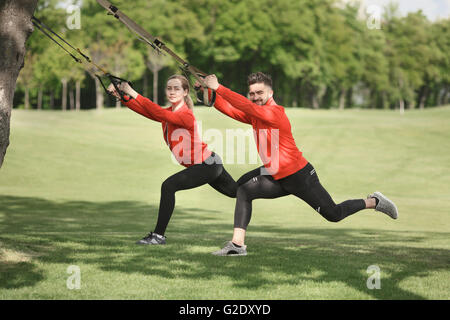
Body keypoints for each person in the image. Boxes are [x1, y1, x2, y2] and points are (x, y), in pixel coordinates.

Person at [201, 72, 398, 256]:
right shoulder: (257, 114)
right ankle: (237, 246)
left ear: (271, 92)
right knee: (244, 189)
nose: (255, 96)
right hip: (275, 174)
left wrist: (218, 87)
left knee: (334, 214)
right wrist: (212, 97)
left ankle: (374, 201)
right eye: (252, 93)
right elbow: (234, 111)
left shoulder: (274, 113)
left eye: (260, 92)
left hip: (299, 176)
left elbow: (246, 107)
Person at [107, 75, 238, 245]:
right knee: (239, 192)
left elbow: (154, 110)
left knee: (168, 186)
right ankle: (267, 183)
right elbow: (146, 110)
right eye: (169, 88)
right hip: (210, 164)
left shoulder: (186, 115)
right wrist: (123, 96)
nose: (172, 92)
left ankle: (158, 236)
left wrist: (130, 91)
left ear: (185, 92)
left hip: (207, 165)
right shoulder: (168, 113)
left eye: (177, 88)